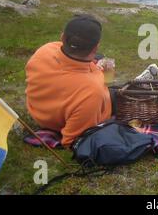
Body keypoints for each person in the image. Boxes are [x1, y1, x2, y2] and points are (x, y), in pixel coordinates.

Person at [25, 15, 113, 147]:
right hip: (62, 120)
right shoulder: (93, 90)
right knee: (121, 93)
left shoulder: (46, 50)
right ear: (95, 47)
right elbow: (72, 140)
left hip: (38, 111)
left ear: (62, 38)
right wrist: (106, 74)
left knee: (103, 62)